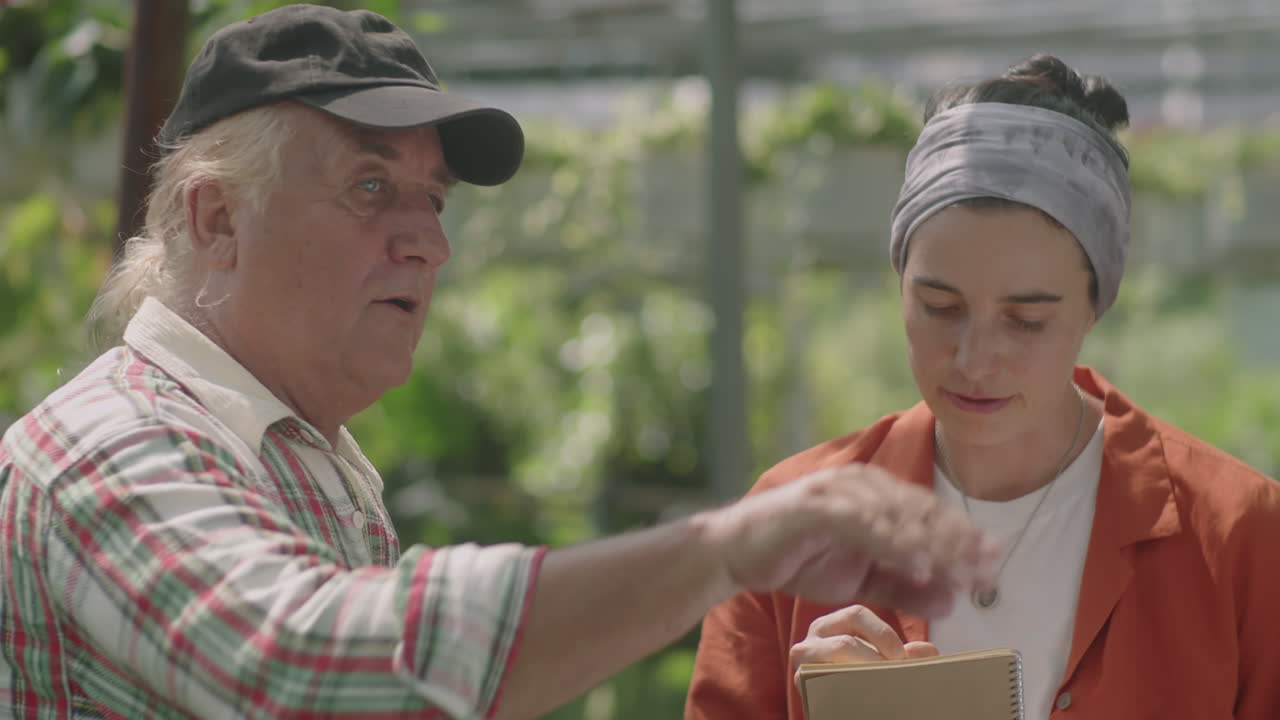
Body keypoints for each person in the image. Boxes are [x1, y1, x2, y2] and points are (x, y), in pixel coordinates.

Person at [0, 5, 1000, 719]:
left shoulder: (301, 455)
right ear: (215, 216)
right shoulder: (106, 446)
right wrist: (722, 549)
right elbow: (296, 669)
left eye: (432, 201)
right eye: (367, 187)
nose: (428, 244)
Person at [686, 54, 1280, 720]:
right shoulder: (788, 527)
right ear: (900, 282)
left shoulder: (1239, 536)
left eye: (1026, 320)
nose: (974, 358)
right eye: (939, 305)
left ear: (1095, 306)